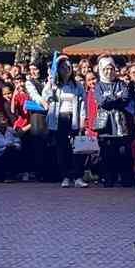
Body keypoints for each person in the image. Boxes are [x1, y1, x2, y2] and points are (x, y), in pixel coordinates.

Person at [45, 56, 86, 187]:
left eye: (68, 67)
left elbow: (83, 104)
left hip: (73, 118)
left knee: (77, 148)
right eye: (62, 67)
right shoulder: (53, 84)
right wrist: (50, 88)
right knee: (62, 148)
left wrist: (82, 121)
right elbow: (45, 97)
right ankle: (65, 176)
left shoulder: (77, 85)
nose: (66, 70)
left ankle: (78, 177)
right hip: (59, 119)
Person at [93, 57, 135, 188]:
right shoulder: (99, 85)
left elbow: (126, 98)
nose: (109, 71)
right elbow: (101, 102)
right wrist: (116, 97)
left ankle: (125, 179)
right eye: (105, 69)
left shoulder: (121, 83)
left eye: (111, 68)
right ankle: (108, 179)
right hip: (106, 125)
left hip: (120, 125)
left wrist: (110, 98)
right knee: (107, 154)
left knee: (123, 152)